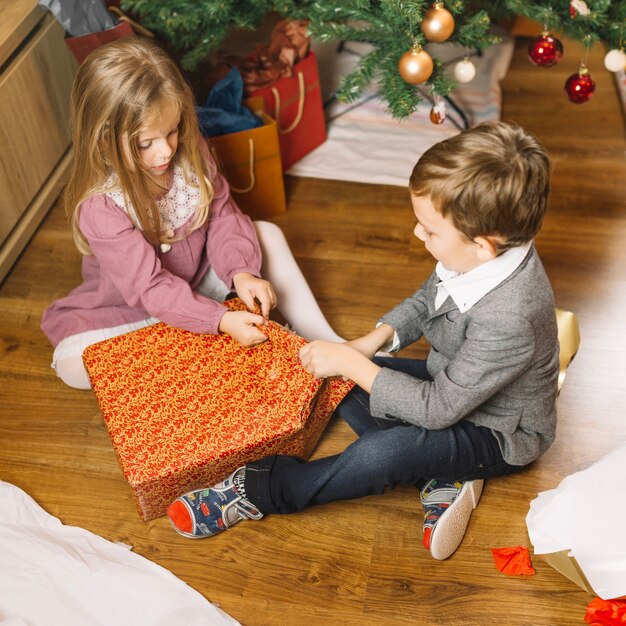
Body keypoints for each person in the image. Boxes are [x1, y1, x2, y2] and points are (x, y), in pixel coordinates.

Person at [168, 120, 560, 560]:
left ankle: (261, 489)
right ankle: (445, 474)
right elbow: (424, 301)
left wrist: (353, 364)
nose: (418, 234)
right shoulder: (479, 252)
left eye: (429, 231)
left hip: (496, 430)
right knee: (335, 378)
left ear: (483, 247)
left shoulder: (511, 316)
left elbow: (437, 409)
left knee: (383, 454)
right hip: (448, 385)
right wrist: (363, 348)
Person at [40, 37, 342, 390]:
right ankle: (196, 352)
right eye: (145, 143)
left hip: (200, 278)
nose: (166, 150)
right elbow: (151, 288)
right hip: (135, 309)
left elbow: (223, 215)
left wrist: (242, 272)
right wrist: (218, 320)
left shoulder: (187, 149)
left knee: (266, 233)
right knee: (74, 368)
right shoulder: (102, 206)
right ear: (104, 140)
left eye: (172, 131)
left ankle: (327, 339)